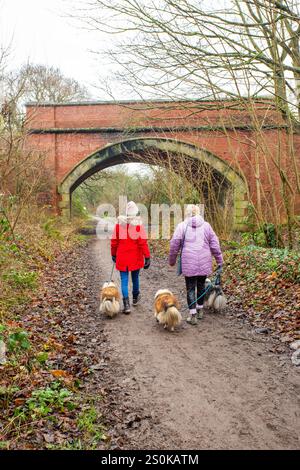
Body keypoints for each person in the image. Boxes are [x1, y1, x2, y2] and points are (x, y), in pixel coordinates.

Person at [169, 204, 223, 325]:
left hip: (189, 262)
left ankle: (192, 315)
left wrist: (172, 260)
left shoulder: (182, 226)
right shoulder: (207, 226)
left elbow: (174, 245)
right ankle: (200, 311)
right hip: (204, 260)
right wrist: (220, 260)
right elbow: (215, 244)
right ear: (199, 213)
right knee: (201, 285)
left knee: (190, 288)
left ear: (186, 213)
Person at [111, 201, 150, 314]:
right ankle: (135, 298)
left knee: (124, 280)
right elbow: (143, 242)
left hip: (122, 257)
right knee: (135, 277)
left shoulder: (119, 225)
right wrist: (147, 256)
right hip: (135, 257)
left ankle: (126, 305)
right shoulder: (138, 225)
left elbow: (114, 242)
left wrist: (113, 254)